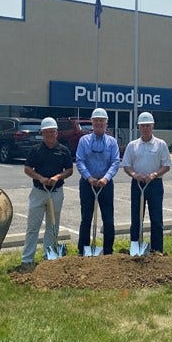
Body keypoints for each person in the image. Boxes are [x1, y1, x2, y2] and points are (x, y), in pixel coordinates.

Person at [20, 117, 73, 269]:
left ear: (57, 133)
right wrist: (41, 178)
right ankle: (27, 259)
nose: (50, 135)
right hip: (39, 192)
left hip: (56, 192)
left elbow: (69, 170)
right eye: (47, 132)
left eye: (53, 132)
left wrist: (57, 177)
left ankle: (48, 256)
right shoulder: (36, 150)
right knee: (33, 226)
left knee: (53, 226)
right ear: (42, 133)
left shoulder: (63, 150)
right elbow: (27, 169)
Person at [122, 112, 171, 253]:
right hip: (137, 184)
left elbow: (166, 165)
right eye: (142, 126)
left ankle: (157, 250)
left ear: (152, 126)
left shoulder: (160, 144)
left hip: (154, 184)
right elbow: (126, 165)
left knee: (156, 219)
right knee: (136, 219)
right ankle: (136, 248)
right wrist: (134, 174)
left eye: (148, 125)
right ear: (139, 127)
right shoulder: (133, 145)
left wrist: (155, 174)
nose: (145, 128)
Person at [75, 107, 121, 255]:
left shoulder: (112, 142)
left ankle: (108, 250)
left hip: (105, 184)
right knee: (86, 218)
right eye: (96, 121)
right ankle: (83, 250)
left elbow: (115, 162)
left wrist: (105, 179)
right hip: (87, 183)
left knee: (108, 219)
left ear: (106, 123)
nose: (99, 123)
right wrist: (89, 178)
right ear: (92, 123)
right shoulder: (84, 141)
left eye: (102, 121)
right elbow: (80, 161)